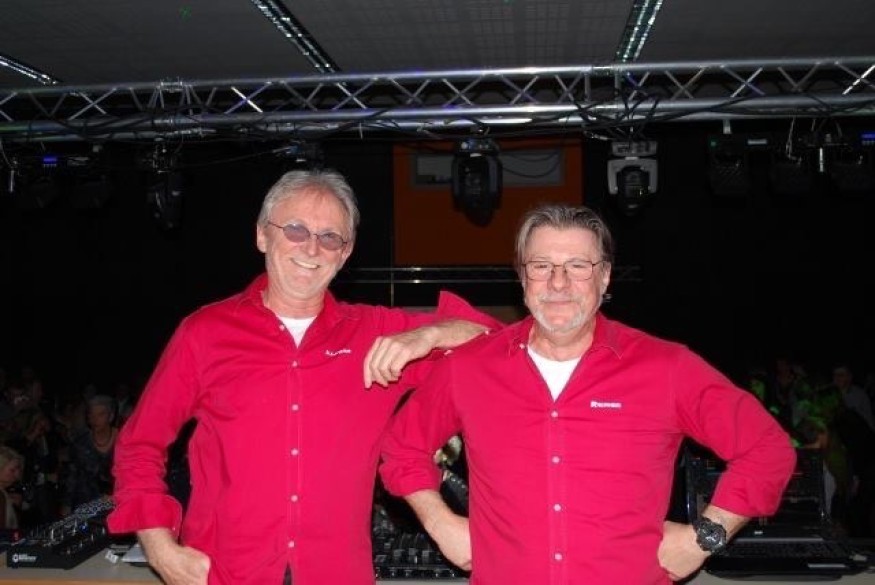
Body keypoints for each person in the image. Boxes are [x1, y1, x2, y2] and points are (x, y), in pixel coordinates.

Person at [107, 169, 498, 585]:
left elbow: (505, 345)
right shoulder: (204, 334)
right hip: (225, 573)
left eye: (330, 237)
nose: (312, 248)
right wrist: (160, 548)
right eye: (295, 229)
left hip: (336, 574)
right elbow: (139, 447)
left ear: (345, 253)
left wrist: (431, 334)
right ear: (262, 235)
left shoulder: (376, 334)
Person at [379, 203, 796, 584]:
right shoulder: (468, 369)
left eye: (578, 266)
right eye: (541, 265)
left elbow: (768, 450)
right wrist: (441, 525)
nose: (558, 282)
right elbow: (401, 448)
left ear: (605, 276)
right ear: (522, 276)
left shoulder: (666, 368)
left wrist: (704, 537)